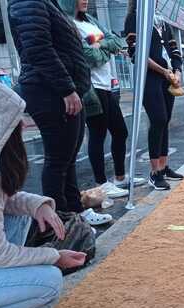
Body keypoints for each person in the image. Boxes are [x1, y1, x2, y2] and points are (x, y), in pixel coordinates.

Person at [0, 75, 87, 308]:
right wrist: (54, 257)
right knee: (49, 281)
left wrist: (38, 205)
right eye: (14, 120)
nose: (25, 125)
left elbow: (2, 199)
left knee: (22, 217)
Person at [9, 0, 112, 226]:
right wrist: (66, 89)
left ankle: (74, 212)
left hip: (62, 88)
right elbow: (38, 49)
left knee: (67, 158)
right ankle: (62, 223)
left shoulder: (45, 3)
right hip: (49, 90)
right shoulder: (28, 2)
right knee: (58, 161)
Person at [60, 0, 145, 200]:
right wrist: (101, 46)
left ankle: (119, 177)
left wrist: (101, 44)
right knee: (98, 134)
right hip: (90, 88)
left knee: (120, 131)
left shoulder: (90, 20)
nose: (86, 0)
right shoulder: (68, 24)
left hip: (107, 85)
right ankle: (101, 183)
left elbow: (116, 41)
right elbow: (90, 56)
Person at [125, 2, 184, 191]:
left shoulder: (163, 23)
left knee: (165, 121)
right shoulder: (136, 18)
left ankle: (164, 166)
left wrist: (177, 71)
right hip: (149, 76)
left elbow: (174, 50)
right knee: (157, 119)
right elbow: (136, 53)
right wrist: (163, 71)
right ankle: (154, 172)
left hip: (169, 77)